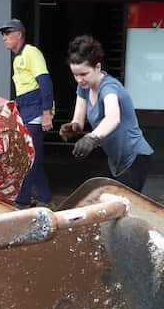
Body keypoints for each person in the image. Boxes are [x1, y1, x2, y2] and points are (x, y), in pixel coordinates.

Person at [60, 34, 154, 192]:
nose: (79, 79)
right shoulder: (84, 87)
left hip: (135, 156)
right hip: (115, 159)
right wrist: (72, 127)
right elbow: (78, 121)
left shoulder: (109, 87)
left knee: (122, 206)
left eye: (84, 74)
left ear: (97, 67)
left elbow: (113, 118)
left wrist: (91, 138)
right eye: (75, 74)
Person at [0, 18, 53, 207]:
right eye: (3, 34)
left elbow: (45, 82)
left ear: (18, 35)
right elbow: (25, 88)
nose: (4, 38)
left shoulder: (31, 53)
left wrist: (46, 113)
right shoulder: (17, 58)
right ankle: (45, 198)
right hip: (27, 111)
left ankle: (22, 201)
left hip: (37, 112)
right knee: (32, 157)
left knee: (29, 158)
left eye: (7, 33)